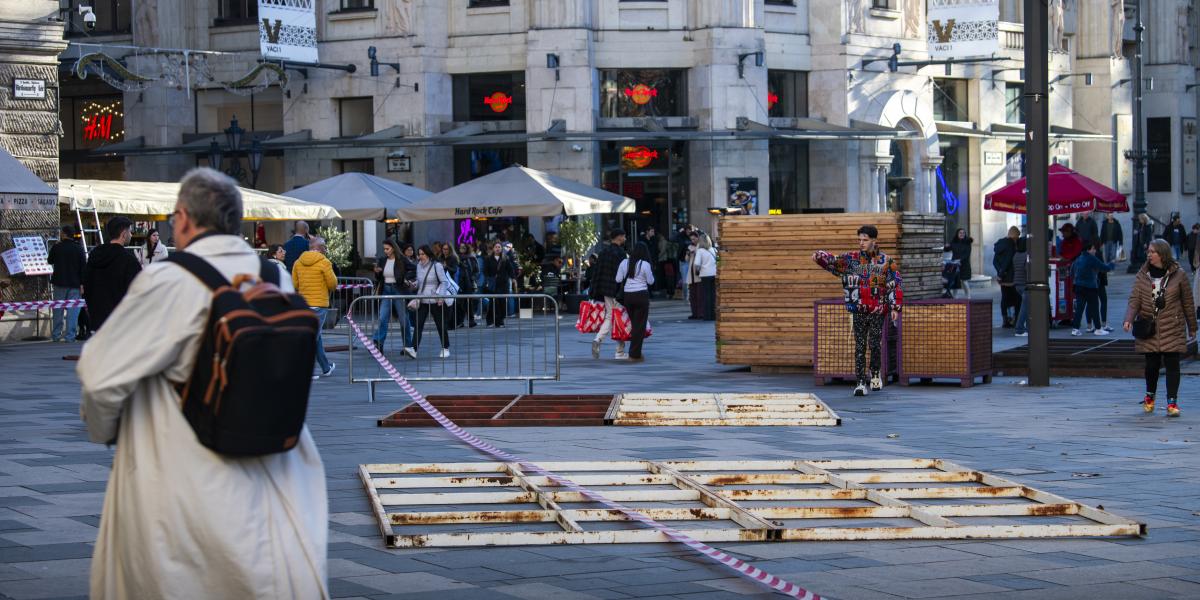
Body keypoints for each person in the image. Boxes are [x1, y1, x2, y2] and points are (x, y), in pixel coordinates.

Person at [76, 167, 327, 599]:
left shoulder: (169, 280)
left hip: (186, 478)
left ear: (184, 219)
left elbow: (100, 375)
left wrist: (106, 432)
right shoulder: (273, 277)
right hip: (277, 469)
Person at [813, 225, 903, 397]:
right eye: (859, 239)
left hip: (878, 309)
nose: (861, 243)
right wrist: (819, 256)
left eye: (865, 240)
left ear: (874, 241)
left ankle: (875, 373)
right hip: (858, 308)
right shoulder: (851, 259)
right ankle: (861, 382)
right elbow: (833, 262)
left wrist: (895, 308)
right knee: (860, 346)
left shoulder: (886, 262)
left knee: (875, 344)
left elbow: (895, 284)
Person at [1124, 239, 1196, 417]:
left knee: (1173, 365)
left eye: (1152, 252)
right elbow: (1135, 300)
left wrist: (1192, 326)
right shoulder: (1142, 275)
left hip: (1172, 326)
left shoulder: (1179, 275)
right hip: (1150, 327)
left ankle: (1172, 402)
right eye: (1148, 251)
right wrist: (1128, 319)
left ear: (1162, 254)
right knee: (1151, 366)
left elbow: (1187, 302)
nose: (1149, 254)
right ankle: (1150, 396)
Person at [83, 217, 142, 331]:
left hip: (98, 322)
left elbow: (87, 285)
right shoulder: (129, 260)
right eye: (130, 231)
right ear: (123, 234)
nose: (131, 235)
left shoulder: (95, 256)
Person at [292, 236, 337, 378]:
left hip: (303, 304)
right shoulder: (324, 262)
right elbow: (332, 284)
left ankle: (326, 367)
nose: (326, 249)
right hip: (319, 304)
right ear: (319, 247)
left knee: (316, 337)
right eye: (324, 246)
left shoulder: (298, 262)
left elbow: (294, 285)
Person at [372, 239, 416, 358]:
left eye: (387, 248)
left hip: (398, 290)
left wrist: (405, 278)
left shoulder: (402, 259)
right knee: (382, 317)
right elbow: (378, 277)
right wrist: (377, 272)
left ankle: (408, 345)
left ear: (393, 248)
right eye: (384, 249)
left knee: (403, 319)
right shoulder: (382, 260)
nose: (385, 251)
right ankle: (378, 342)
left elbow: (414, 269)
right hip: (386, 290)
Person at [590, 229, 629, 359]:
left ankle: (597, 340)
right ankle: (619, 351)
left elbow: (597, 272)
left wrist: (594, 290)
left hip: (605, 290)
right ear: (618, 237)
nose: (625, 239)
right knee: (619, 318)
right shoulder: (621, 253)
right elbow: (623, 275)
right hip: (616, 290)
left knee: (610, 316)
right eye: (624, 236)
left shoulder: (603, 252)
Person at [616, 242, 655, 362]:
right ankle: (634, 354)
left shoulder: (624, 263)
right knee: (640, 326)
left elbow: (618, 279)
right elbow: (651, 281)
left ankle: (634, 352)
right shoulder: (645, 265)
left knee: (635, 324)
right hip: (641, 295)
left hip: (628, 296)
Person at [412, 245, 452, 357]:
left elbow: (444, 282)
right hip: (422, 299)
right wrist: (414, 284)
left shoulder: (436, 265)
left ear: (428, 254)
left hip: (435, 299)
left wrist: (441, 297)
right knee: (418, 324)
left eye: (423, 254)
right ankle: (414, 349)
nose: (420, 256)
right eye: (419, 254)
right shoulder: (418, 266)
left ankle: (445, 348)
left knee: (440, 325)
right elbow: (420, 282)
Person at [48, 225, 86, 343]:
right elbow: (83, 267)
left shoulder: (57, 247)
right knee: (73, 311)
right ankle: (70, 336)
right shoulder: (79, 248)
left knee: (58, 310)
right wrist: (82, 284)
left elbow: (50, 261)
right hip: (75, 284)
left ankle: (56, 335)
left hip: (59, 283)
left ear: (64, 234)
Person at [1070, 242, 1115, 336]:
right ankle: (1098, 329)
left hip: (1078, 286)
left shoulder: (1078, 258)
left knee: (1079, 308)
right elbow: (1104, 268)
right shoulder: (1091, 258)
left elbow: (1071, 272)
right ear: (1088, 250)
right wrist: (1112, 264)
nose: (1095, 251)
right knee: (1094, 307)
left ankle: (1075, 329)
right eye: (1093, 249)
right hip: (1090, 287)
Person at [484, 240, 516, 327]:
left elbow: (510, 269)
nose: (497, 249)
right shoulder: (488, 259)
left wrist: (513, 278)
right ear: (493, 248)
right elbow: (485, 271)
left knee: (502, 303)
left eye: (499, 247)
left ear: (501, 248)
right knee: (493, 303)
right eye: (496, 247)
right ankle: (491, 320)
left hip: (503, 284)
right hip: (493, 284)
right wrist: (488, 280)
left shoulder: (505, 259)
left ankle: (500, 320)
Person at [993, 226, 1020, 327]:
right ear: (1015, 236)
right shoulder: (1011, 245)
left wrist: (999, 273)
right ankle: (1014, 319)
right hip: (1011, 276)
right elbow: (1008, 261)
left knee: (1004, 298)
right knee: (1016, 298)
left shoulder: (999, 244)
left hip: (1003, 279)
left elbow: (994, 261)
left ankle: (1005, 320)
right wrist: (1002, 273)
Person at [694, 233, 718, 321]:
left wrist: (698, 270)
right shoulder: (714, 250)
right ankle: (714, 315)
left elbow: (697, 264)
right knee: (713, 295)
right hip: (714, 274)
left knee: (706, 295)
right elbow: (719, 261)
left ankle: (707, 315)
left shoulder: (700, 251)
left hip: (705, 275)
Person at [456, 243, 479, 328]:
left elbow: (476, 270)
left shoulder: (471, 258)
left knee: (469, 303)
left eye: (464, 247)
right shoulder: (457, 258)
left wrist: (472, 279)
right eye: (461, 247)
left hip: (468, 283)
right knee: (459, 303)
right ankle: (460, 321)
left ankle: (471, 321)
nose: (462, 248)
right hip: (459, 283)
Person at [1013, 237, 1031, 337]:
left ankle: (1028, 328)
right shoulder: (1026, 255)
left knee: (1027, 306)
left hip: (1017, 284)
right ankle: (1019, 329)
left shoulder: (1016, 255)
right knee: (1024, 308)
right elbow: (1027, 270)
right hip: (1025, 284)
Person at [684, 233, 702, 319]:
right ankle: (694, 313)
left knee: (699, 295)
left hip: (698, 274)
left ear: (698, 238)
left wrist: (695, 252)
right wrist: (688, 254)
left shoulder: (701, 246)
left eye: (694, 239)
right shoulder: (689, 247)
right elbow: (686, 260)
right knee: (692, 296)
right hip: (691, 274)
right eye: (691, 239)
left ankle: (700, 313)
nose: (693, 241)